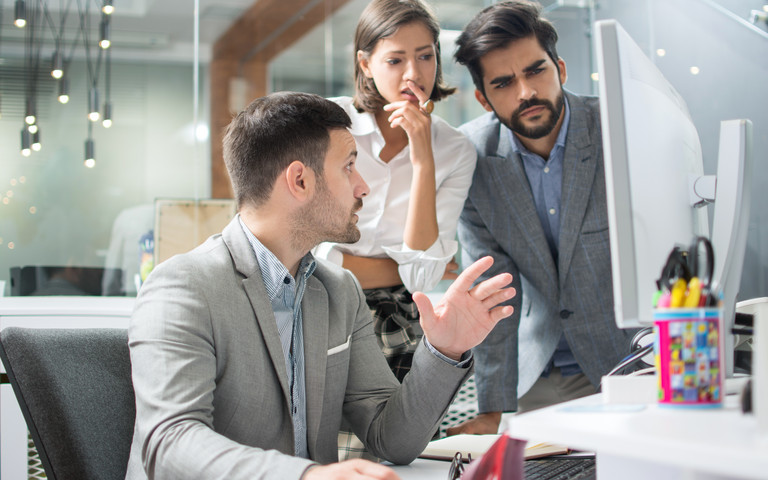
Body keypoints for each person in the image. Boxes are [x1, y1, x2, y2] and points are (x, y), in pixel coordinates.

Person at [125, 91, 515, 480]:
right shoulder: (181, 287)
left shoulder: (338, 291)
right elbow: (170, 443)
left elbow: (392, 439)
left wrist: (444, 349)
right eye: (349, 166)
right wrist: (307, 476)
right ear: (300, 180)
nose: (363, 187)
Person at [448, 0, 636, 435]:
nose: (525, 93)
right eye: (503, 82)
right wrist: (491, 408)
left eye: (536, 71)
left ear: (561, 69)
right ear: (483, 97)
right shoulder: (471, 159)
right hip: (540, 376)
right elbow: (492, 290)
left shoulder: (619, 129)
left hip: (630, 364)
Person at [314, 0, 477, 382]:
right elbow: (309, 257)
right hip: (321, 309)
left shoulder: (455, 150)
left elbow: (421, 280)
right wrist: (396, 270)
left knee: (407, 436)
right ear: (366, 64)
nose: (413, 74)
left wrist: (422, 160)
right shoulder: (329, 125)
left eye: (425, 56)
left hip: (404, 323)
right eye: (395, 60)